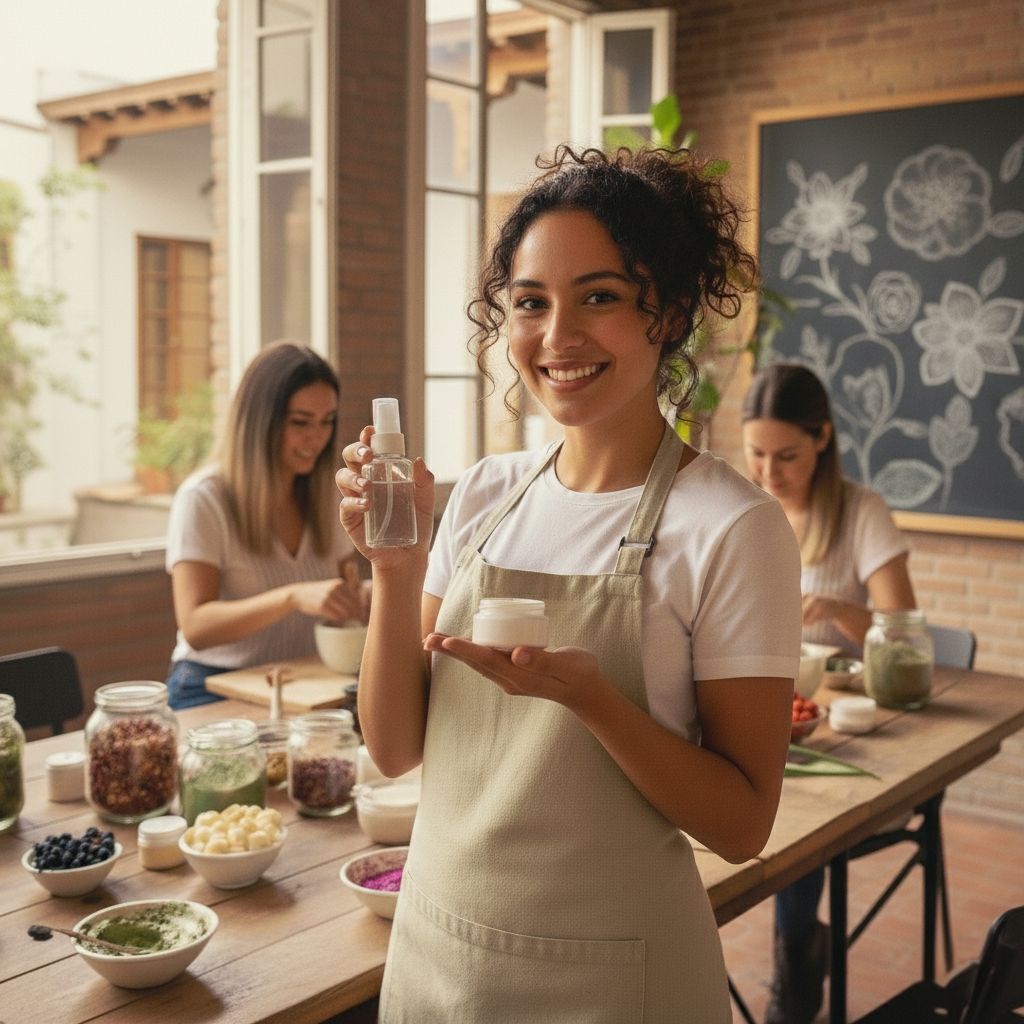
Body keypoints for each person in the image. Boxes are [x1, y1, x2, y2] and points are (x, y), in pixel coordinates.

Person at [336, 146, 803, 1024]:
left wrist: (592, 701)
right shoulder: (482, 495)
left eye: (599, 297)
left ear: (667, 314)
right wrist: (394, 568)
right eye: (530, 302)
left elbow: (742, 828)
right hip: (437, 957)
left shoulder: (732, 527)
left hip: (616, 981)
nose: (557, 336)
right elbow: (394, 748)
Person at [742, 361, 916, 1024]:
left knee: (798, 819)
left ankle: (793, 971)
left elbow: (903, 635)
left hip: (848, 737)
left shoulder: (861, 512)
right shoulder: (744, 510)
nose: (769, 473)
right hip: (766, 716)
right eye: (756, 454)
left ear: (821, 438)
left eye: (786, 456)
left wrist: (842, 611)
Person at [165, 341, 368, 710]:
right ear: (259, 423)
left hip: (301, 682)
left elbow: (345, 599)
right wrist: (292, 597)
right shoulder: (204, 498)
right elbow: (196, 627)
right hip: (211, 686)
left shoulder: (327, 496)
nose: (317, 438)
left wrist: (366, 595)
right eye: (300, 422)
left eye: (327, 421)